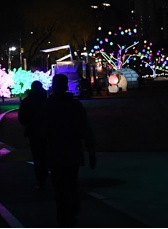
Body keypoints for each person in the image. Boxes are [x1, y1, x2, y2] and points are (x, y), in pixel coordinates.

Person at [44, 73, 96, 227]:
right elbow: (86, 129)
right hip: (73, 150)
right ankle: (73, 209)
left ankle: (63, 217)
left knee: (59, 187)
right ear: (67, 86)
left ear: (54, 86)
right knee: (72, 182)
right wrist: (91, 151)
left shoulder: (48, 106)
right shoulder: (75, 106)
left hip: (55, 151)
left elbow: (41, 129)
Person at [17, 80, 49, 189]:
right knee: (47, 153)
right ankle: (48, 174)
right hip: (48, 131)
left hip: (33, 132)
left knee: (37, 156)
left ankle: (41, 179)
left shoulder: (27, 101)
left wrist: (29, 124)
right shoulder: (47, 101)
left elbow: (21, 117)